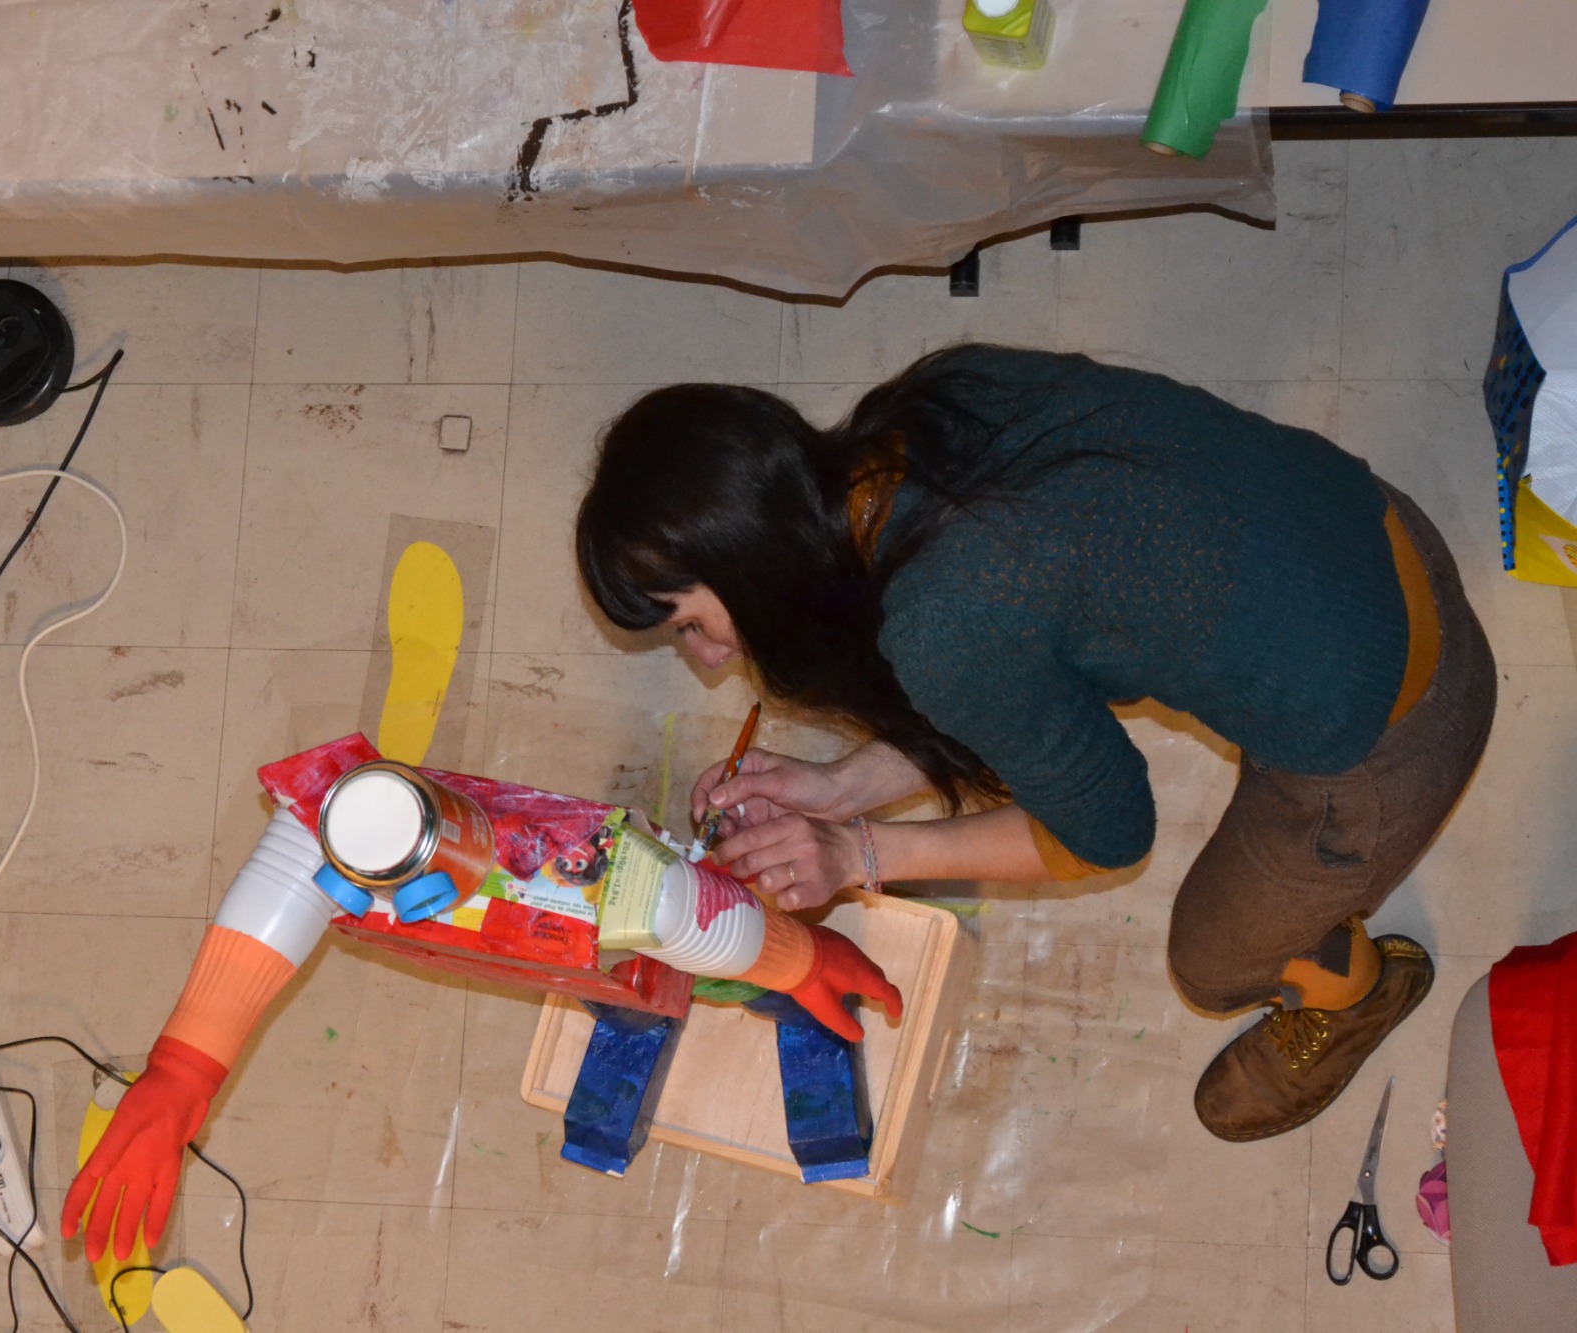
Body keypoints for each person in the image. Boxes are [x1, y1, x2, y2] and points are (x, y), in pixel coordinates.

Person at [574, 343, 1496, 1142]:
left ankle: (1356, 992)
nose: (707, 658)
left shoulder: (945, 627)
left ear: (751, 564)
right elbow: (1022, 629)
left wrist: (859, 853)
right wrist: (842, 787)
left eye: (690, 623)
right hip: (1368, 529)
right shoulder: (927, 407)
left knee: (1212, 964)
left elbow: (1106, 835)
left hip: (1391, 723)